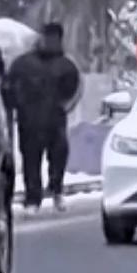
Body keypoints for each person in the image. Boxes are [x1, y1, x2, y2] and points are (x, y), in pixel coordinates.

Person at [6, 22, 81, 213]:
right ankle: (33, 198)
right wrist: (17, 106)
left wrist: (65, 106)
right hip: (29, 121)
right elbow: (10, 87)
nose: (49, 41)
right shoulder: (22, 64)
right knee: (31, 160)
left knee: (58, 158)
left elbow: (76, 89)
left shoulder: (66, 65)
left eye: (54, 38)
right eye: (47, 37)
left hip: (55, 121)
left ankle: (56, 190)